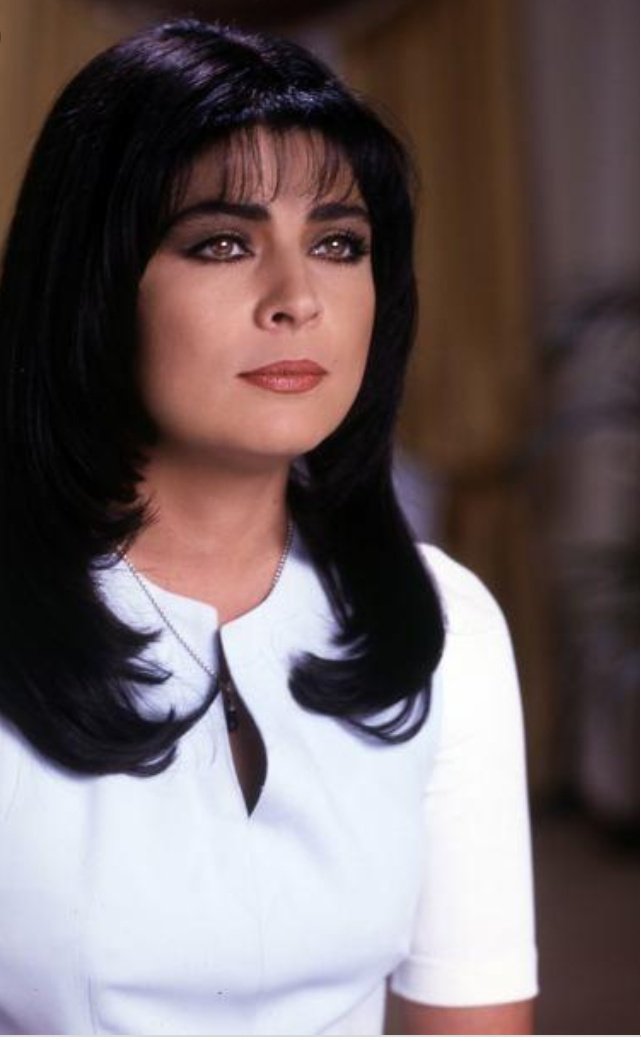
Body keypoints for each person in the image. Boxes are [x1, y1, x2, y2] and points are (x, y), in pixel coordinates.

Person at [0, 18, 537, 1036]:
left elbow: (473, 1016)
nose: (298, 298)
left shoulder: (443, 618)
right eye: (222, 242)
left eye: (338, 244)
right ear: (95, 281)